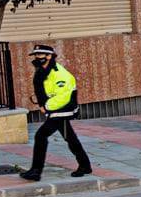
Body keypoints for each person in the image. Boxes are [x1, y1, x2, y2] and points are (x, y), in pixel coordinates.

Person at [19, 45, 92, 181]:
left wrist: (46, 106)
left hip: (62, 110)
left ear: (49, 56)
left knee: (41, 136)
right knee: (70, 137)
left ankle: (36, 171)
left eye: (40, 55)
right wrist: (41, 103)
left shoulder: (60, 74)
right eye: (35, 55)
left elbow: (63, 96)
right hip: (54, 110)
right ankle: (85, 165)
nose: (36, 57)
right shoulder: (42, 70)